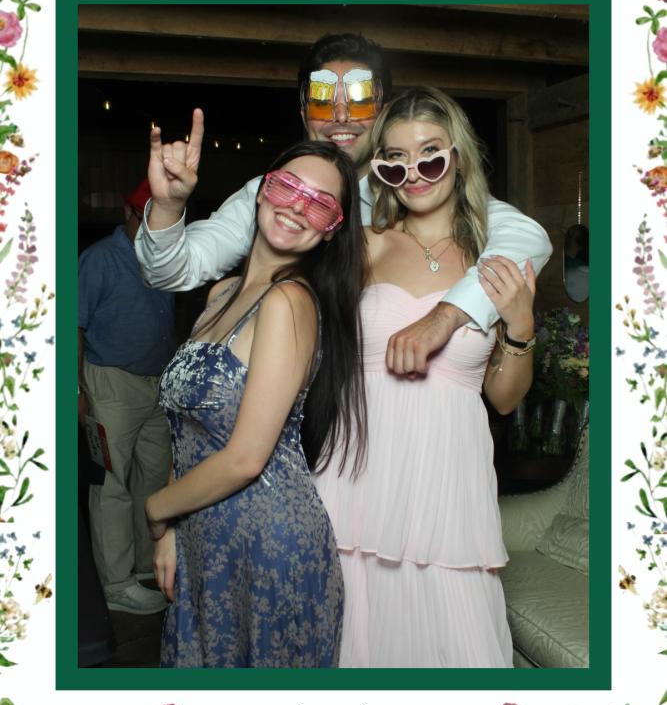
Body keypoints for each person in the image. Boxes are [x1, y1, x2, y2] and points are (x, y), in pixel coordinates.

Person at [134, 33, 552, 371]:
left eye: (359, 99)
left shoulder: (416, 186)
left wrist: (447, 316)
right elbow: (171, 271)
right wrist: (168, 207)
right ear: (303, 112)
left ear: (383, 111)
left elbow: (527, 239)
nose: (340, 117)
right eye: (322, 101)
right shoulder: (275, 195)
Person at [313, 87, 536, 668]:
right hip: (356, 484)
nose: (413, 174)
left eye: (430, 155)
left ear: (458, 156)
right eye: (395, 160)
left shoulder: (493, 259)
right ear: (380, 170)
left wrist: (520, 325)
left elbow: (504, 399)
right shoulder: (363, 245)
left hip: (449, 494)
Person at [145, 140, 367, 668]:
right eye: (288, 187)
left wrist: (156, 509)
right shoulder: (221, 295)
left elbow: (245, 459)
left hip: (270, 548)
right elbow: (189, 431)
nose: (297, 207)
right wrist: (174, 531)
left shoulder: (290, 301)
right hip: (203, 534)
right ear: (263, 192)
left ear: (332, 229)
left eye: (321, 204)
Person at [78, 180, 176, 615]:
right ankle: (115, 584)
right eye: (147, 219)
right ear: (128, 212)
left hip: (157, 383)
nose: (155, 229)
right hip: (111, 382)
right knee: (111, 484)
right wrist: (75, 389)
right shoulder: (100, 259)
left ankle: (143, 565)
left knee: (153, 480)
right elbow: (72, 324)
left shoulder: (166, 257)